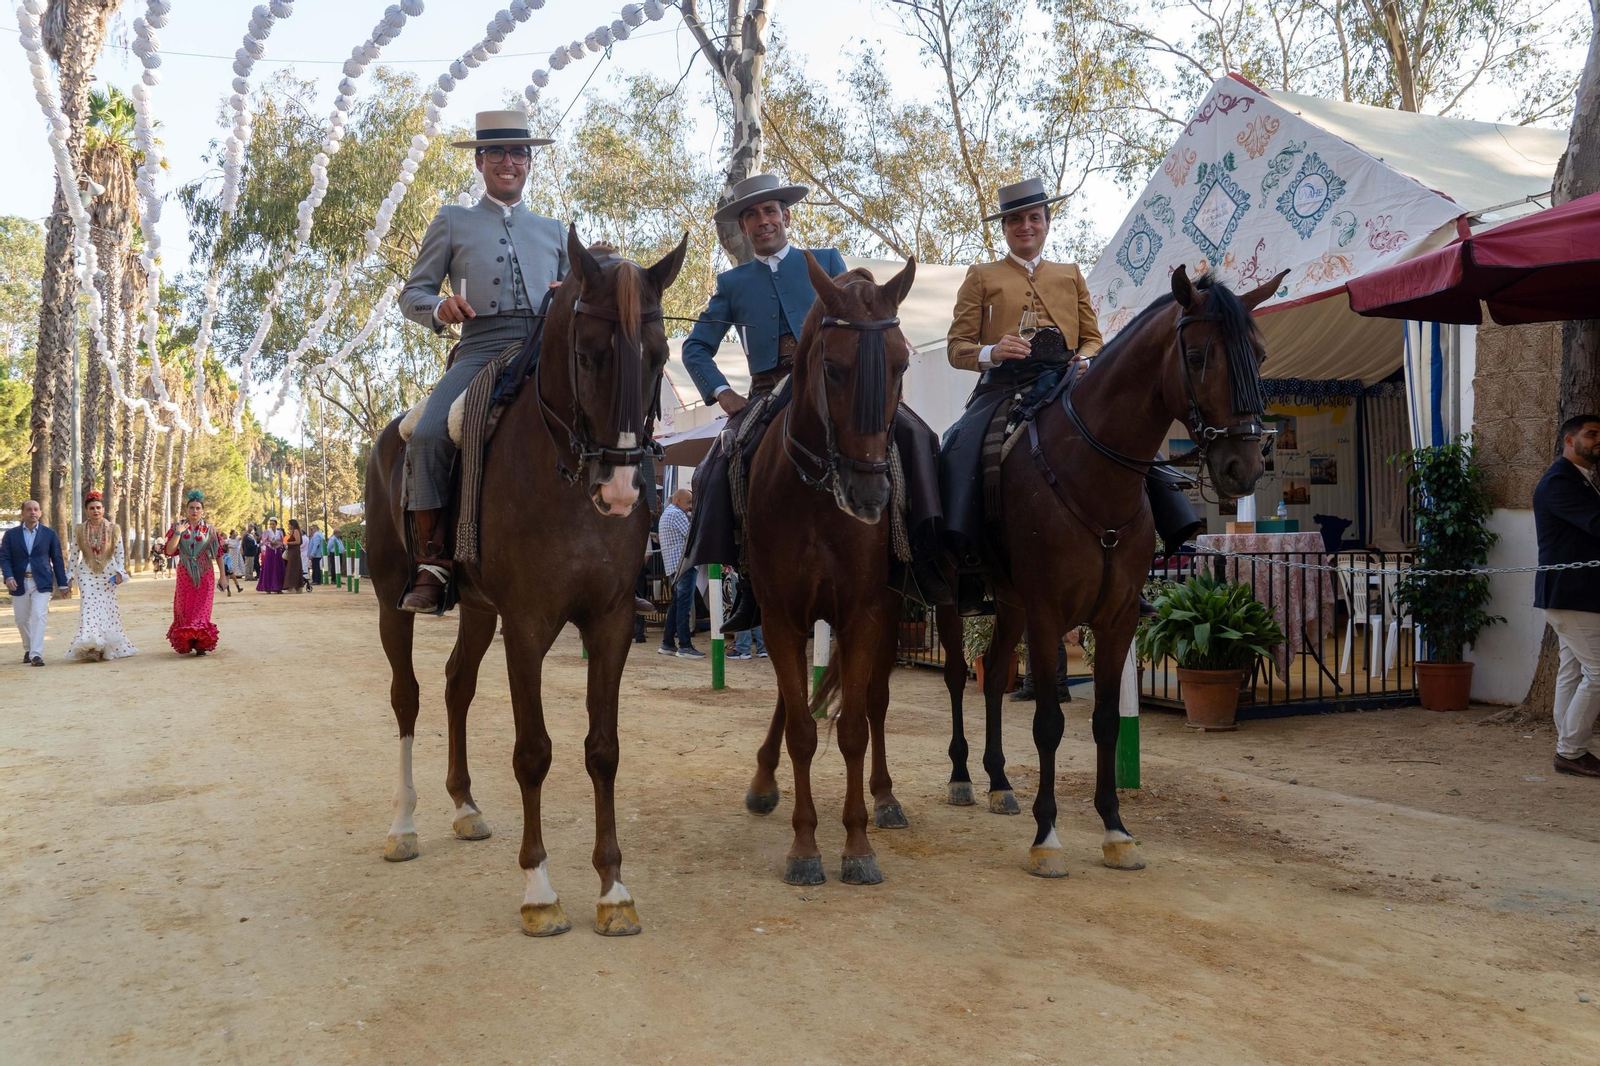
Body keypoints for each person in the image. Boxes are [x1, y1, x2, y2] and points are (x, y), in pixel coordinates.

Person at [680, 173, 950, 633]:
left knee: (917, 435)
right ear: (743, 228)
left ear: (786, 216)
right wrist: (722, 394)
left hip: (838, 383)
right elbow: (694, 348)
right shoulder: (731, 283)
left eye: (770, 212)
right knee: (720, 460)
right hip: (768, 390)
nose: (763, 221)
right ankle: (747, 575)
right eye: (752, 215)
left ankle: (922, 557)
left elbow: (862, 310)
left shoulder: (827, 260)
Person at [940, 177, 1201, 614]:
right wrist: (993, 350)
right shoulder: (981, 276)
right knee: (958, 446)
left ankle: (1160, 542)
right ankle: (967, 565)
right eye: (1016, 219)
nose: (1026, 225)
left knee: (1125, 441)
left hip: (1066, 380)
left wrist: (1085, 360)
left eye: (1034, 218)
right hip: (1005, 385)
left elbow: (1094, 339)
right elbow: (955, 348)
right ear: (1005, 227)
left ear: (1046, 222)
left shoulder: (1070, 273)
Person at [397, 109, 568, 614]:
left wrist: (567, 296)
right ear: (480, 161)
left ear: (530, 162)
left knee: (614, 417)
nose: (508, 162)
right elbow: (413, 294)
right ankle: (433, 562)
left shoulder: (555, 229)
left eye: (518, 153)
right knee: (428, 435)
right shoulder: (453, 219)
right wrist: (438, 308)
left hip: (544, 346)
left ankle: (614, 559)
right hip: (480, 347)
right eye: (497, 153)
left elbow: (575, 295)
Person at [1533, 413, 1600, 778]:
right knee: (1598, 671)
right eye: (1591, 434)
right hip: (1571, 593)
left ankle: (1570, 744)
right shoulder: (1560, 481)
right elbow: (1596, 524)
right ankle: (1570, 751)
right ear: (1569, 440)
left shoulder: (1580, 480)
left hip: (1576, 593)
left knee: (1573, 671)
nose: (1597, 440)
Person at [64, 490, 136, 662]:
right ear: (87, 511)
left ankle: (105, 647)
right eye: (92, 508)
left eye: (98, 508)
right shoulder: (80, 529)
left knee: (106, 610)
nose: (95, 511)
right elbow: (74, 553)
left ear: (103, 510)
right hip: (86, 574)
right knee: (88, 609)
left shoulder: (113, 529)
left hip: (108, 575)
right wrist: (69, 575)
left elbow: (119, 553)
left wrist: (120, 572)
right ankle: (91, 647)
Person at [2, 499, 69, 666]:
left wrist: (62, 584)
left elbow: (57, 560)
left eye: (36, 510)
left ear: (40, 513)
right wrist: (8, 577)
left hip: (42, 582)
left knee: (39, 615)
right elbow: (4, 558)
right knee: (21, 619)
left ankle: (36, 654)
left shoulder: (49, 534)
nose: (33, 512)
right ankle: (29, 648)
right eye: (29, 509)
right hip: (19, 581)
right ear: (23, 513)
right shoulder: (11, 535)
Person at [163, 490, 223, 656]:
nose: (194, 511)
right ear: (186, 509)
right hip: (184, 574)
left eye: (197, 508)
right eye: (191, 508)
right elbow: (169, 551)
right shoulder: (177, 527)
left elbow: (218, 554)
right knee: (185, 608)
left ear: (202, 510)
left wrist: (223, 577)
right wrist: (178, 533)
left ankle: (201, 643)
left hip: (206, 574)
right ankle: (188, 641)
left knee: (203, 609)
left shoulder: (210, 529)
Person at [657, 488, 702, 659]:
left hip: (674, 566)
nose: (690, 506)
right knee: (683, 607)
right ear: (677, 501)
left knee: (677, 605)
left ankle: (667, 643)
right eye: (688, 502)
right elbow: (693, 536)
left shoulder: (668, 512)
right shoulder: (677, 514)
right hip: (683, 566)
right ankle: (685, 645)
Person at [256, 518, 286, 593]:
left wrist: (278, 544)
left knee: (278, 568)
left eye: (273, 524)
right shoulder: (267, 532)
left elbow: (282, 542)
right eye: (271, 524)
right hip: (270, 551)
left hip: (278, 551)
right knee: (269, 568)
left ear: (276, 524)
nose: (272, 525)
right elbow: (264, 541)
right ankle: (268, 587)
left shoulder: (280, 532)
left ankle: (278, 587)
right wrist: (271, 543)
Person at [284, 519, 306, 594]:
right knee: (295, 568)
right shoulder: (293, 531)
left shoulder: (296, 531)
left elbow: (298, 541)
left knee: (292, 569)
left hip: (294, 552)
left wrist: (288, 543)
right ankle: (297, 587)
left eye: (289, 524)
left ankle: (292, 587)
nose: (288, 526)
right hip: (292, 552)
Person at [222, 530, 246, 594]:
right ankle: (238, 588)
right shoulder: (228, 556)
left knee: (227, 579)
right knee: (234, 578)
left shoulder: (223, 556)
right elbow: (229, 564)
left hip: (225, 568)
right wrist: (231, 569)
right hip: (230, 569)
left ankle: (228, 590)